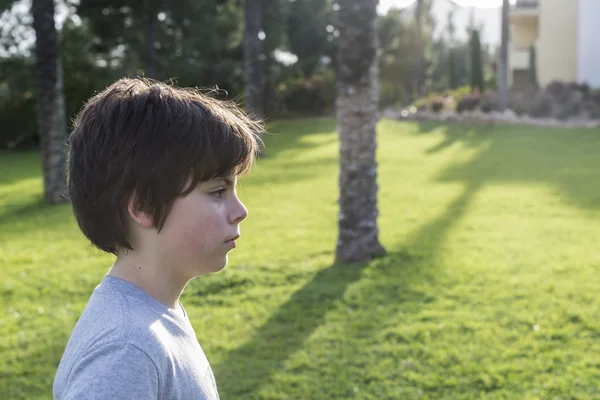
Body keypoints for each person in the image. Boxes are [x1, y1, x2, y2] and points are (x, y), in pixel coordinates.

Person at [53, 78, 263, 400]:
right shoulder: (126, 349)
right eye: (218, 191)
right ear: (144, 207)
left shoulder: (153, 313)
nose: (240, 211)